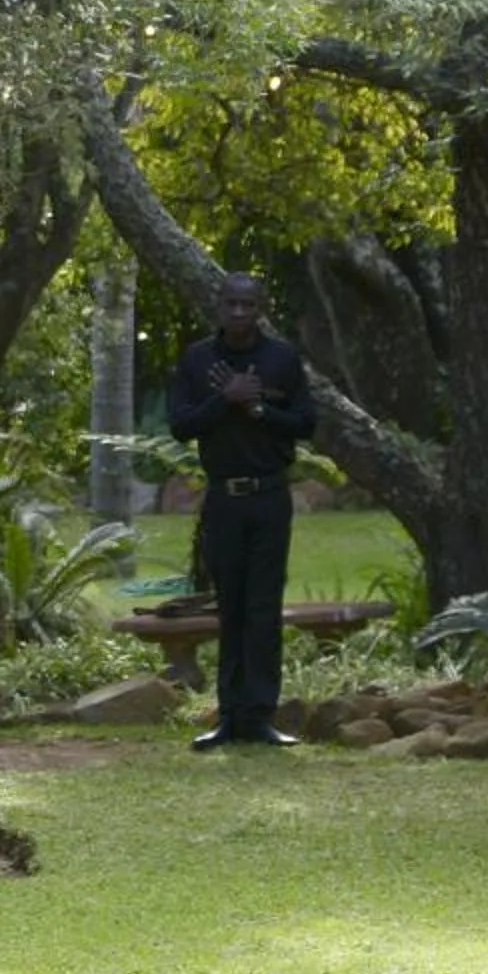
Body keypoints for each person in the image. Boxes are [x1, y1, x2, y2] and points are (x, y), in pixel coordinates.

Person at [167, 271, 317, 750]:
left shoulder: (282, 359)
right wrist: (225, 399)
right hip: (223, 499)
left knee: (263, 607)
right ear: (219, 306)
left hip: (269, 497)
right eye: (230, 304)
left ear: (260, 308)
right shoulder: (198, 359)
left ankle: (260, 716)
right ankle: (228, 717)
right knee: (229, 607)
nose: (238, 313)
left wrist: (258, 410)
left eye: (247, 305)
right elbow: (180, 425)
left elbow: (306, 423)